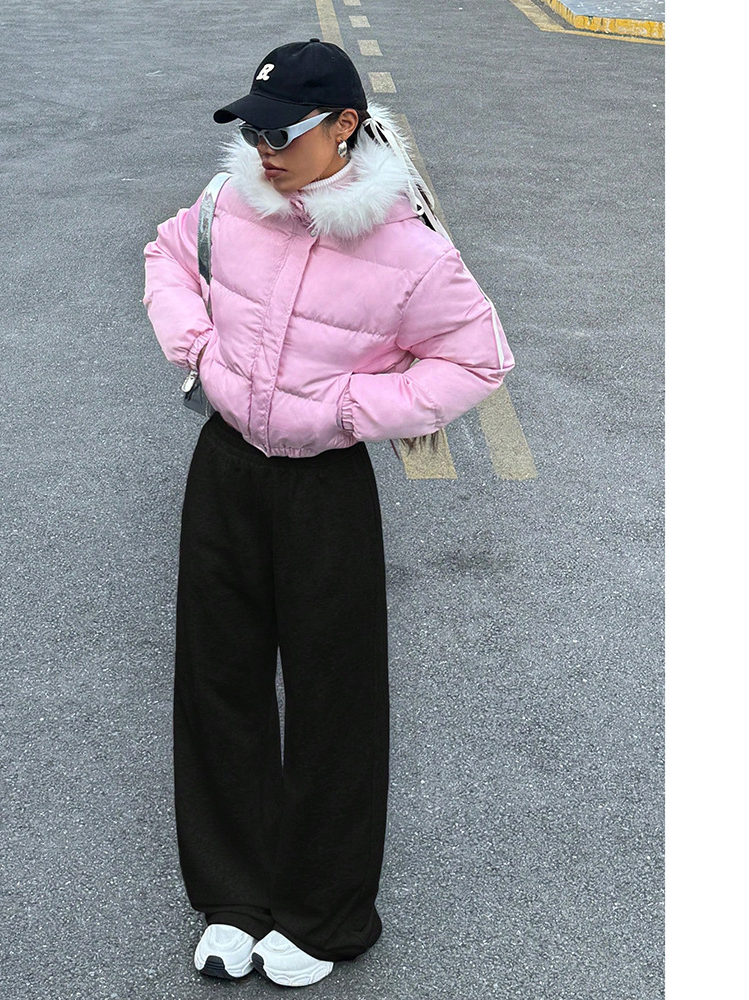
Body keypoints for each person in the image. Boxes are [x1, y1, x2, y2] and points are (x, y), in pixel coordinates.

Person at [142, 38, 514, 988]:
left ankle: (323, 914)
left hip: (324, 488)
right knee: (218, 681)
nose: (264, 149)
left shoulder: (407, 247)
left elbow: (477, 359)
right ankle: (233, 896)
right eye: (254, 131)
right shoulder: (228, 203)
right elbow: (167, 256)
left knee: (332, 702)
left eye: (284, 132)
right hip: (226, 466)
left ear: (345, 125)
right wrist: (199, 353)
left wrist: (349, 409)